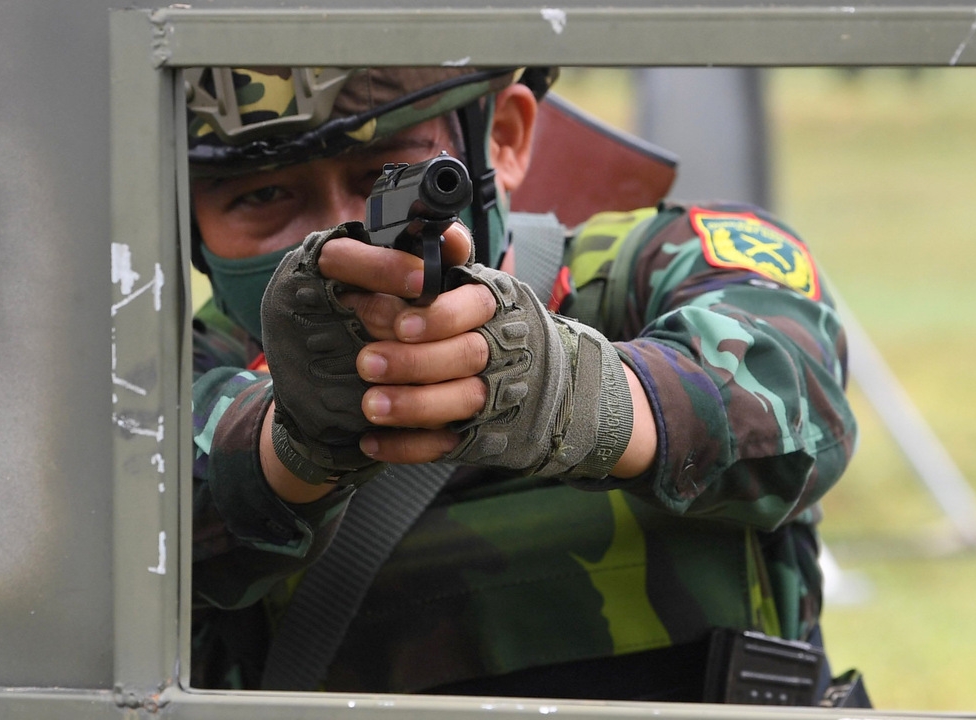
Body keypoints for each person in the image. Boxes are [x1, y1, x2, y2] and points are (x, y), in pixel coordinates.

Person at [187, 65, 858, 703]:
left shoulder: (655, 266)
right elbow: (138, 520)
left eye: (382, 175)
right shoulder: (167, 366)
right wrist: (297, 442)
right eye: (263, 194)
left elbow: (792, 394)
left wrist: (570, 389)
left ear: (503, 136)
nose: (338, 233)